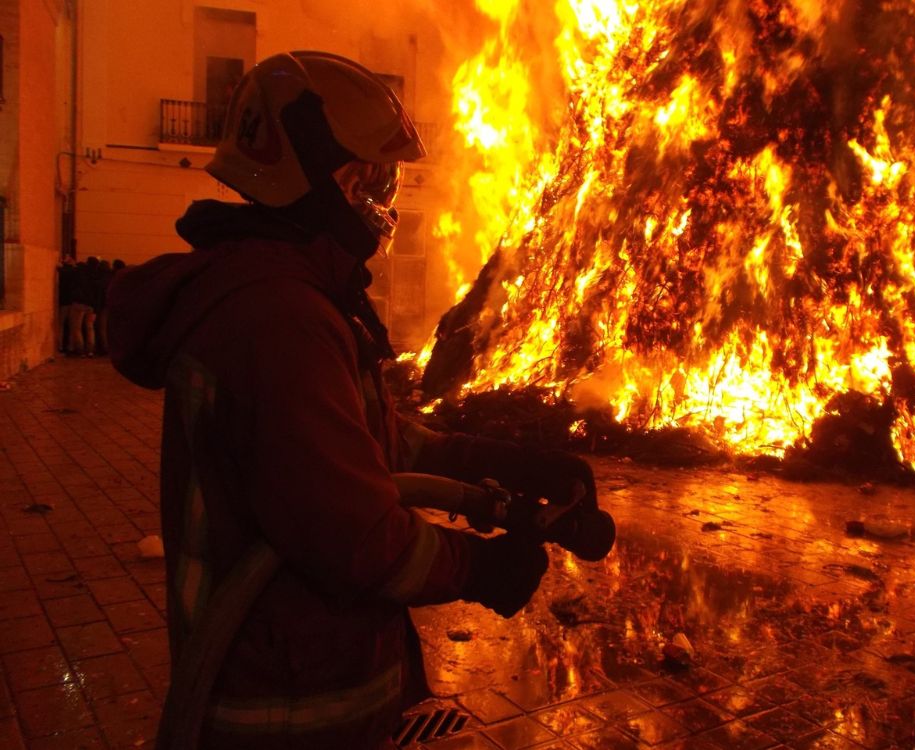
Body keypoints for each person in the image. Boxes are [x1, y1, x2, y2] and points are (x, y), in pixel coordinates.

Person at [106, 51, 596, 749]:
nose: (382, 201)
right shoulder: (277, 319)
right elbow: (358, 537)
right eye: (372, 180)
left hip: (301, 674)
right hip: (291, 706)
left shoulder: (284, 293)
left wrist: (498, 462)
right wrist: (480, 567)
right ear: (318, 178)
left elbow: (367, 445)